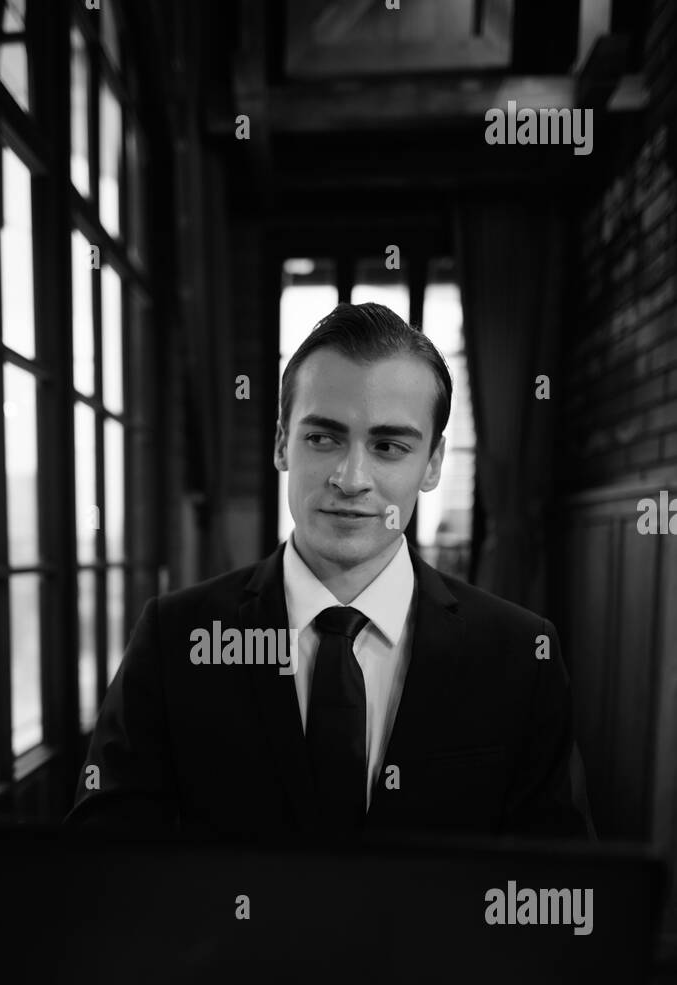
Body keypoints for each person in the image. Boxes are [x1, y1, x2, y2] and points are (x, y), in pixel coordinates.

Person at [68, 302, 591, 841]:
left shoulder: (522, 655)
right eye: (324, 438)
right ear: (281, 443)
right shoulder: (173, 637)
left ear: (432, 463)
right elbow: (105, 869)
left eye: (388, 446)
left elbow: (556, 879)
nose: (351, 478)